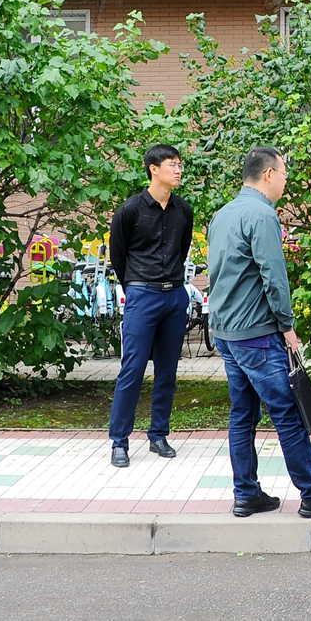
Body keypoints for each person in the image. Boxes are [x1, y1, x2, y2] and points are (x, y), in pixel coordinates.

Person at [208, 146, 311, 519]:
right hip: (257, 334)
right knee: (288, 414)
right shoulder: (262, 215)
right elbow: (273, 277)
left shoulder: (223, 215)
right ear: (269, 174)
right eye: (285, 174)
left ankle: (246, 494)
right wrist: (287, 326)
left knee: (242, 414)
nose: (286, 182)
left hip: (226, 332)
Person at [108, 144, 193, 468]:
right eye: (172, 164)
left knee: (167, 371)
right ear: (153, 169)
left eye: (180, 164)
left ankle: (158, 434)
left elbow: (182, 250)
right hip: (142, 294)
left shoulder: (183, 210)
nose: (178, 170)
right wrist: (135, 286)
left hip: (175, 296)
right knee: (132, 369)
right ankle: (119, 441)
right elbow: (119, 256)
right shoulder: (130, 210)